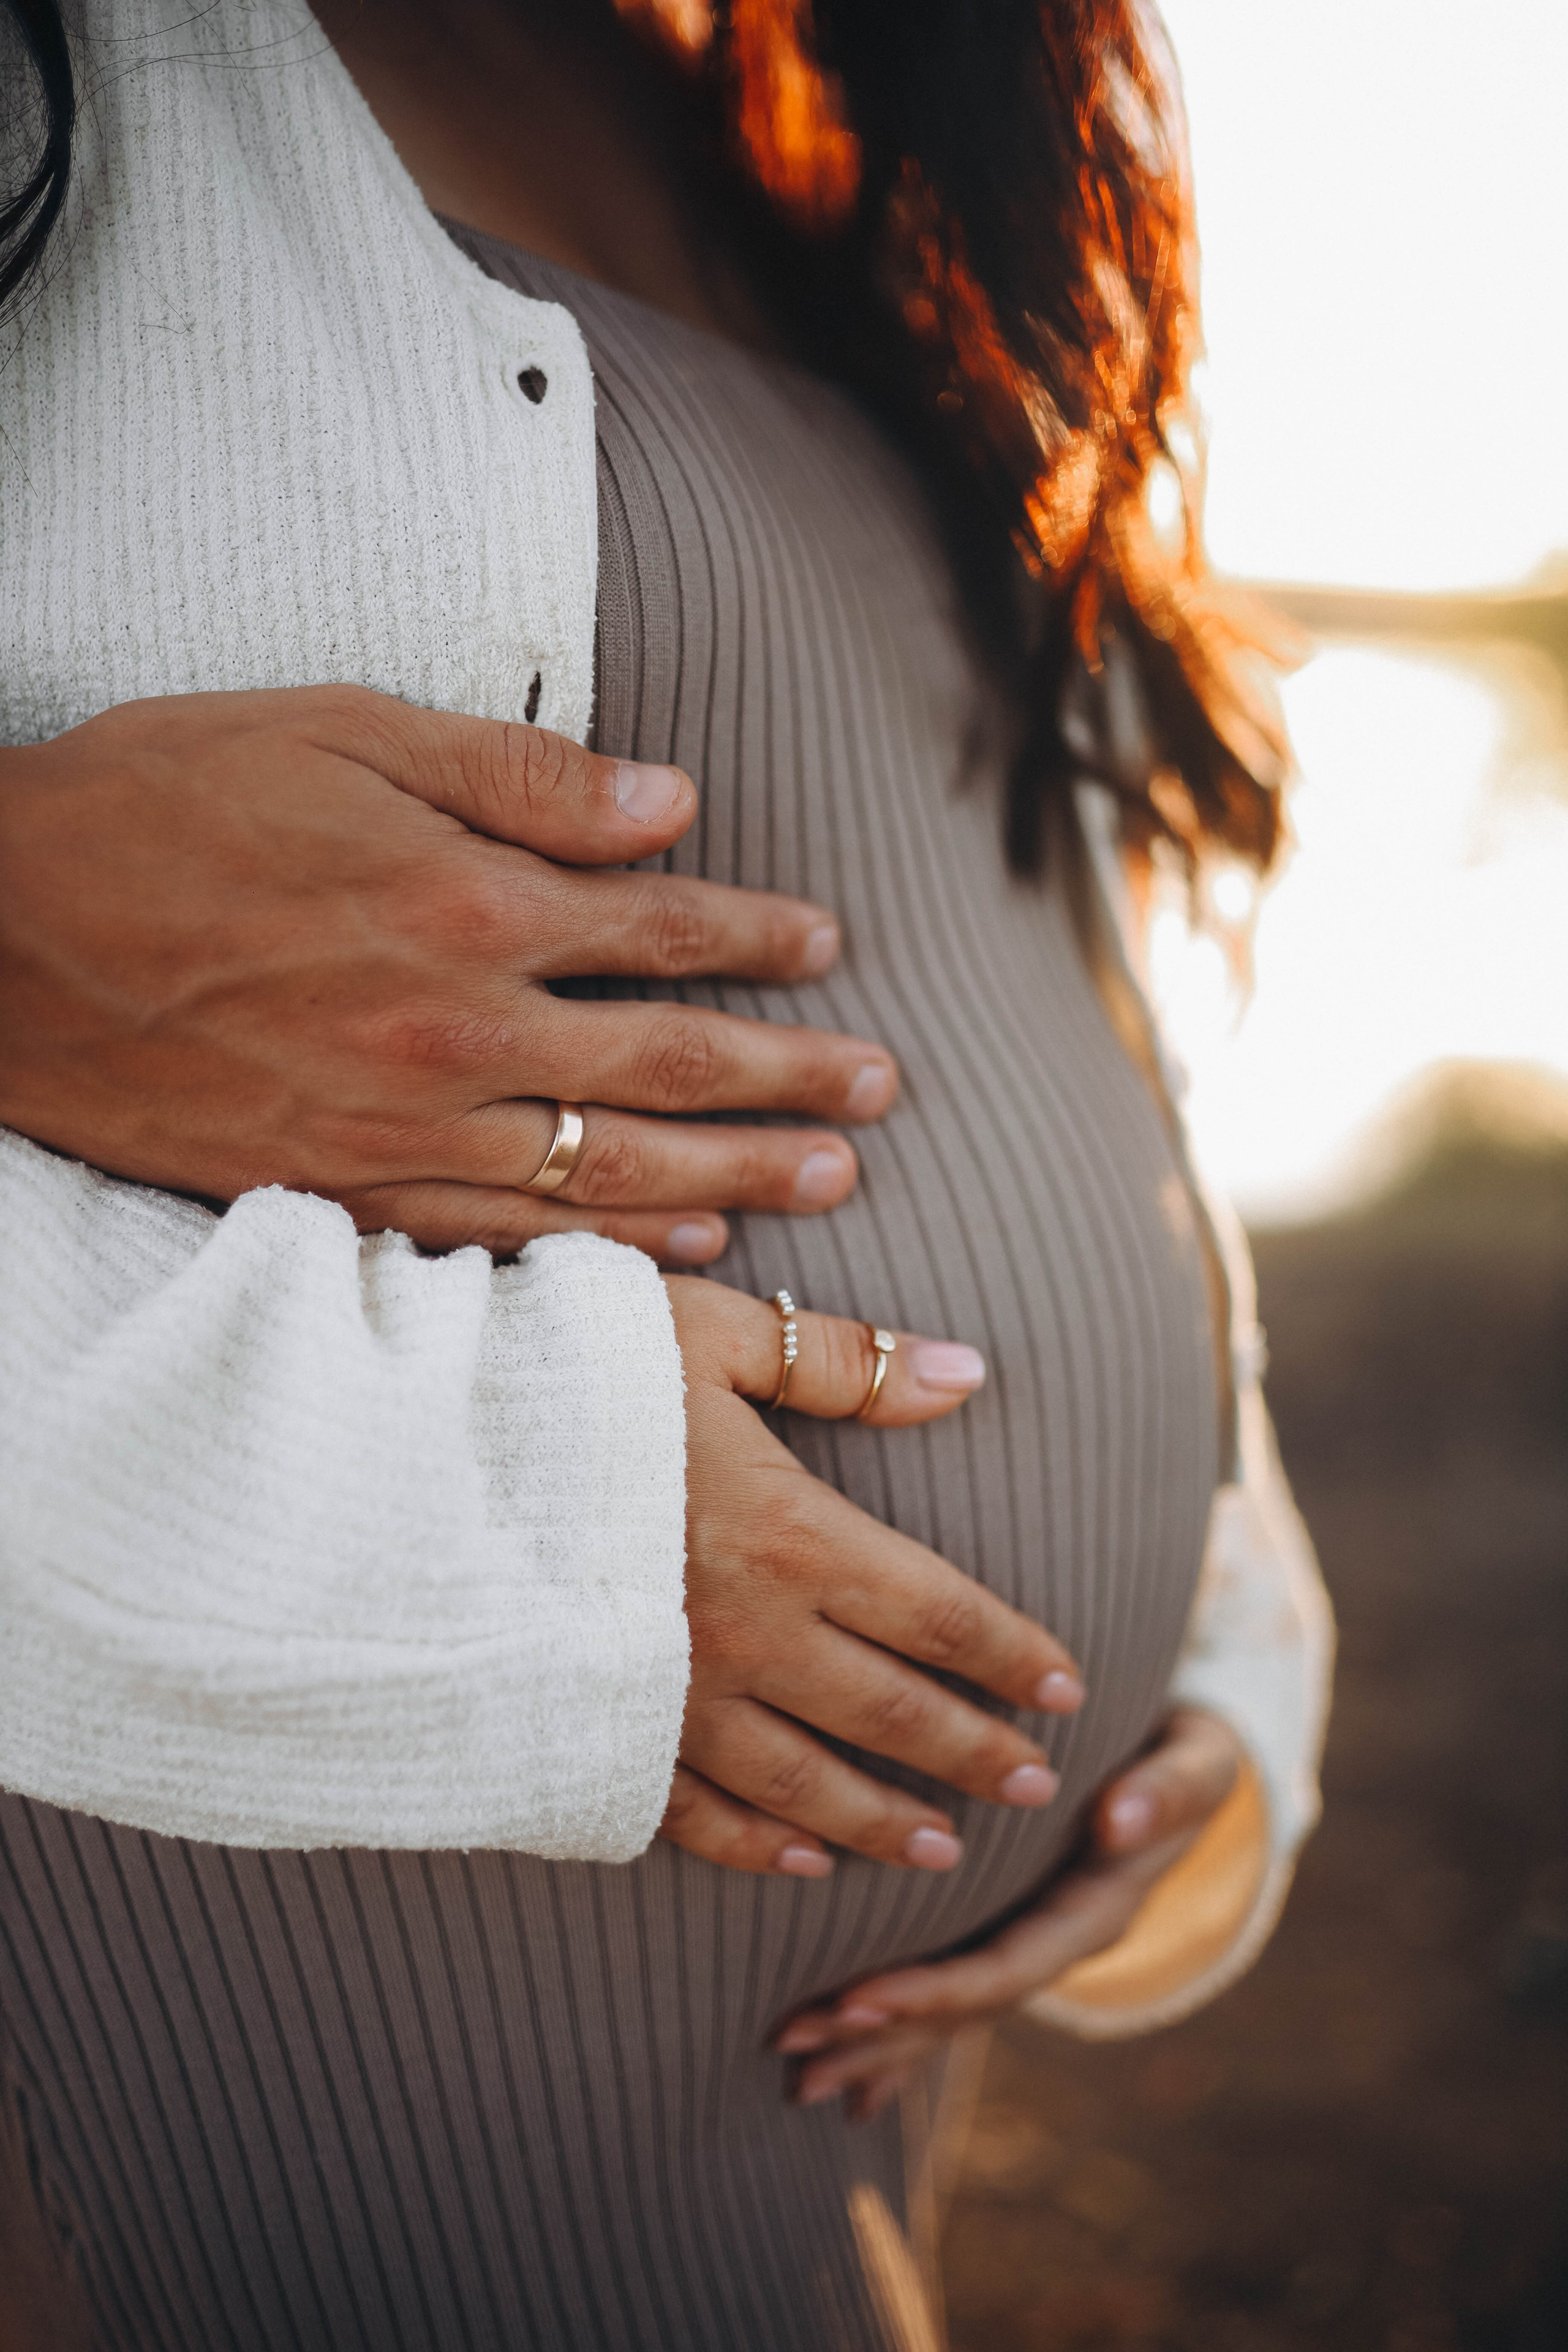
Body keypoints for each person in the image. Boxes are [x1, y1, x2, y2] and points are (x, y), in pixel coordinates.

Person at [0, 2, 1332, 2345]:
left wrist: (1227, 1612)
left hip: (805, 2133)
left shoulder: (788, 123)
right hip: (211, 2105)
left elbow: (1020, 959)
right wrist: (525, 1520)